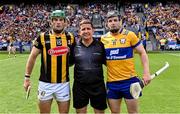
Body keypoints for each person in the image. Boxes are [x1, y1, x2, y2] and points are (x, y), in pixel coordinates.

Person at [23, 10, 74, 113]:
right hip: (45, 84)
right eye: (55, 20)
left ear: (65, 22)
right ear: (51, 22)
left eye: (61, 20)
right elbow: (32, 56)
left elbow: (73, 59)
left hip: (63, 84)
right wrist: (27, 77)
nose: (58, 22)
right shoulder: (42, 37)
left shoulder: (70, 37)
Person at [101, 10, 151, 113]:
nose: (113, 22)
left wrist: (146, 73)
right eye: (110, 21)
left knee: (133, 112)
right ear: (107, 23)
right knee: (114, 112)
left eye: (115, 20)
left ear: (120, 21)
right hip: (112, 83)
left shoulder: (130, 35)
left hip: (130, 82)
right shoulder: (103, 39)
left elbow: (142, 52)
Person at [71, 19, 107, 114]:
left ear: (93, 30)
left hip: (98, 86)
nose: (86, 31)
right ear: (79, 32)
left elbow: (109, 64)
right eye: (83, 29)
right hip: (80, 87)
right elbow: (69, 63)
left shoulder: (101, 45)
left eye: (88, 29)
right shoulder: (74, 47)